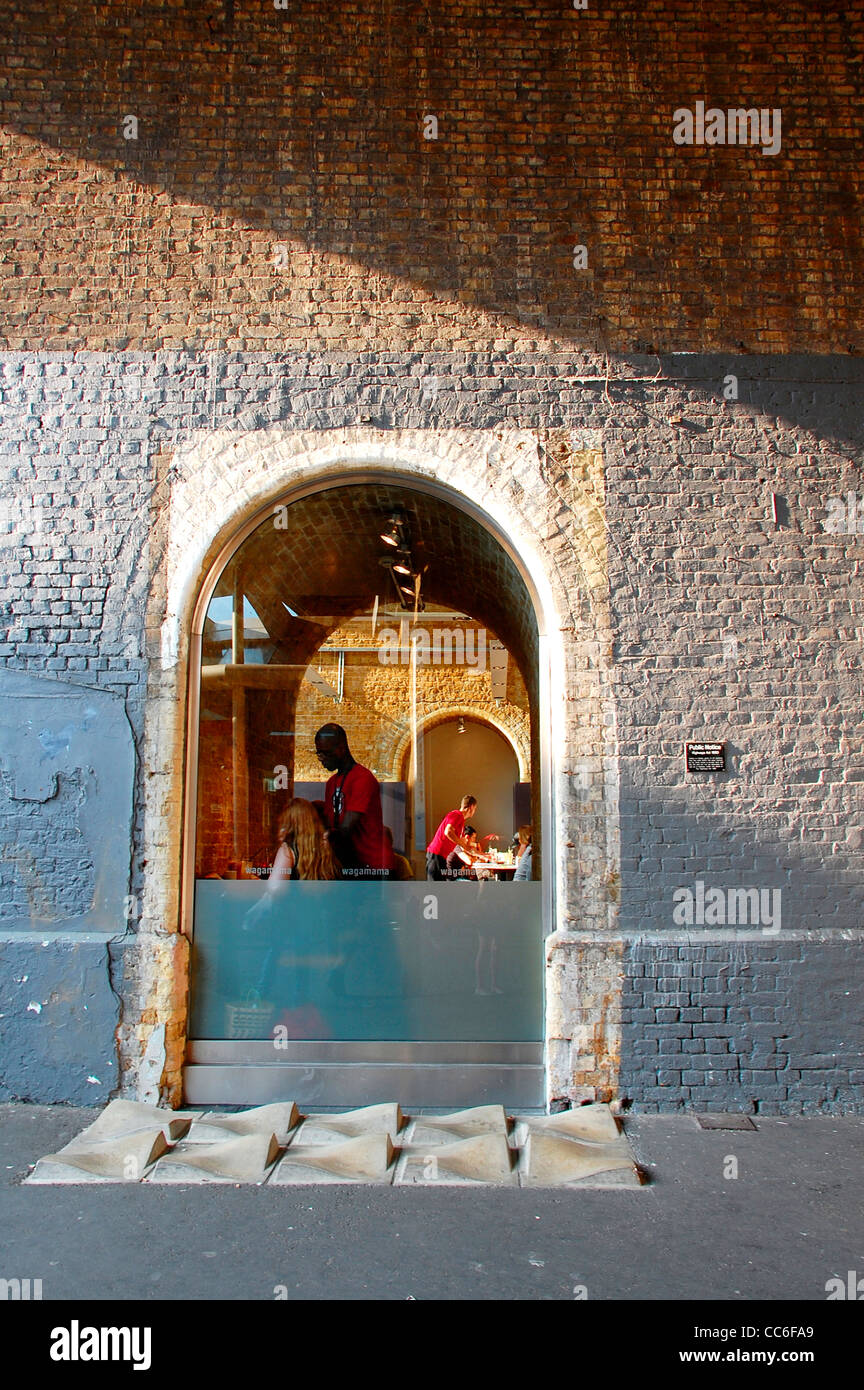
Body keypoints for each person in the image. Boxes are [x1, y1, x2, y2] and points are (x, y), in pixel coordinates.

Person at [314, 723, 394, 878]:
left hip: (372, 866)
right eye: (319, 753)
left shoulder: (362, 778)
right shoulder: (331, 783)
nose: (322, 759)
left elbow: (345, 829)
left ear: (341, 749)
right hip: (349, 864)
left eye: (326, 753)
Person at [426, 794, 480, 880]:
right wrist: (463, 845)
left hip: (441, 857)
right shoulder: (457, 814)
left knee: (440, 890)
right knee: (435, 890)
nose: (474, 811)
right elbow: (448, 831)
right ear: (471, 807)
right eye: (475, 809)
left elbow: (465, 846)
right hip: (436, 855)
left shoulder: (461, 822)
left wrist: (484, 855)